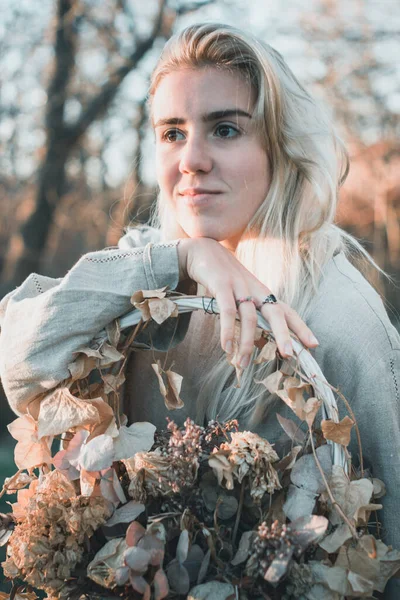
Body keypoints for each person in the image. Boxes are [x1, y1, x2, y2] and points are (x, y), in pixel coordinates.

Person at [0, 22, 399, 597]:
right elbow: (17, 362)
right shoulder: (143, 270)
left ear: (278, 145)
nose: (191, 160)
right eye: (171, 132)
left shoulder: (335, 318)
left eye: (226, 129)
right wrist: (183, 257)